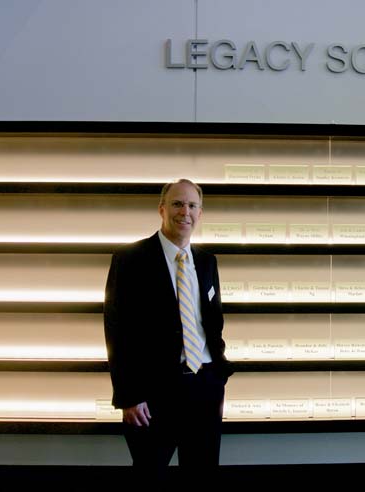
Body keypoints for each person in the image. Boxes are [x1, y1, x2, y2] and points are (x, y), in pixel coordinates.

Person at [104, 178, 233, 484]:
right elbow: (117, 331)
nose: (184, 211)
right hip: (152, 394)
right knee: (149, 474)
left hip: (205, 388)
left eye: (192, 205)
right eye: (177, 203)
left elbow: (212, 322)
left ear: (200, 213)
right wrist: (128, 396)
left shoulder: (206, 262)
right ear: (162, 209)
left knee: (201, 475)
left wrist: (219, 373)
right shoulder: (130, 259)